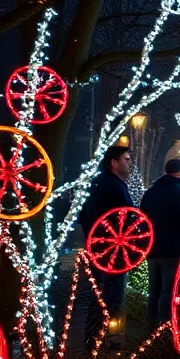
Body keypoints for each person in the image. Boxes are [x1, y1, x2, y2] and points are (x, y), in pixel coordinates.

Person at [78, 145, 136, 348]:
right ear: (113, 162)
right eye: (126, 160)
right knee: (111, 296)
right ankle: (104, 341)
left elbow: (83, 216)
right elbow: (130, 217)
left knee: (97, 295)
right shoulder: (115, 187)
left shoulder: (96, 184)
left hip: (97, 247)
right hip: (114, 251)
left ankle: (92, 338)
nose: (130, 164)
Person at [139, 158, 180, 328]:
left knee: (154, 291)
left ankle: (149, 326)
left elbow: (141, 218)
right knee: (169, 290)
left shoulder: (150, 191)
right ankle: (164, 328)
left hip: (152, 249)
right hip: (173, 250)